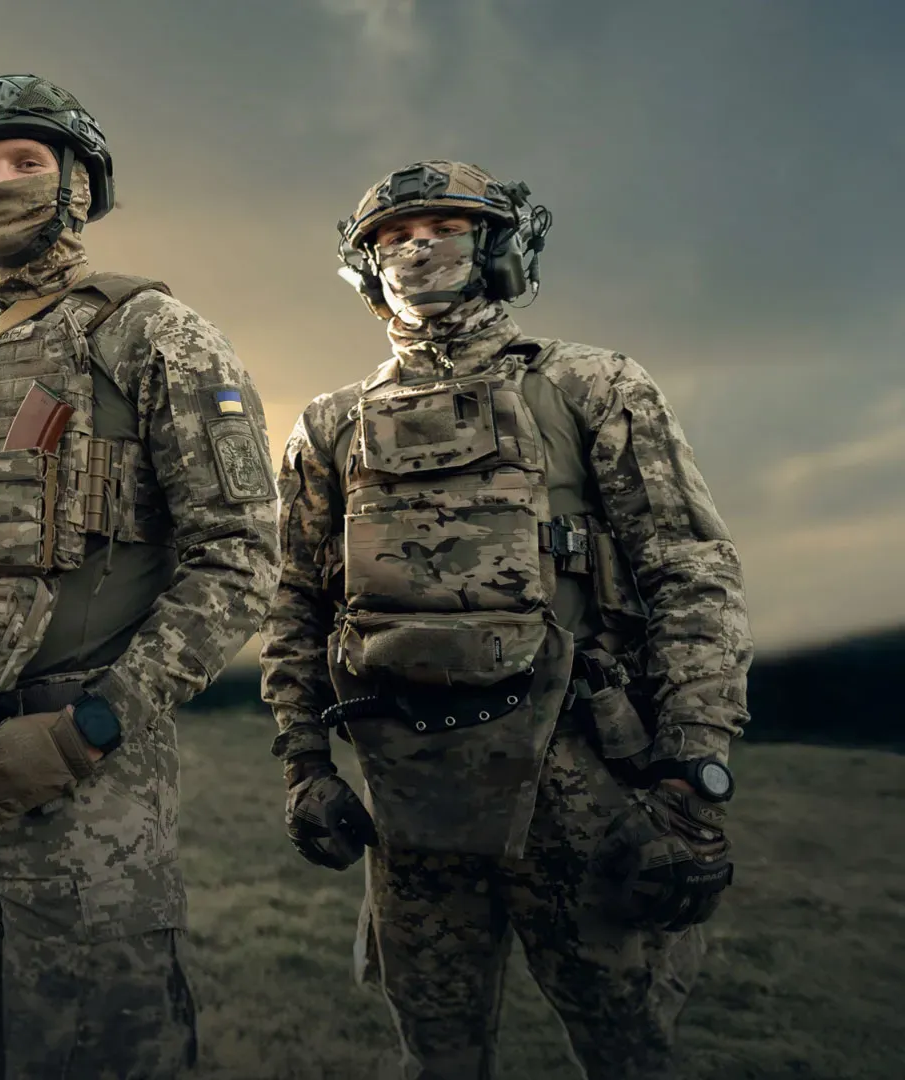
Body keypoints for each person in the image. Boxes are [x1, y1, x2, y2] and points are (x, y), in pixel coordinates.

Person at [258, 160, 749, 1079]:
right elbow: (296, 606)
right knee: (437, 1056)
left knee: (629, 1052)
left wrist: (693, 769)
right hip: (413, 797)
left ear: (498, 247)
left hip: (586, 783)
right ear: (366, 270)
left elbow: (692, 574)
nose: (417, 250)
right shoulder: (330, 425)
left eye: (444, 227)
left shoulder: (593, 386)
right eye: (393, 239)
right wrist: (305, 766)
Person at [0, 74, 278, 1078]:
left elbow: (239, 560)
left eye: (26, 161)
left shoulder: (154, 333)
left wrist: (92, 727)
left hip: (81, 773)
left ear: (81, 187)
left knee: (103, 1052)